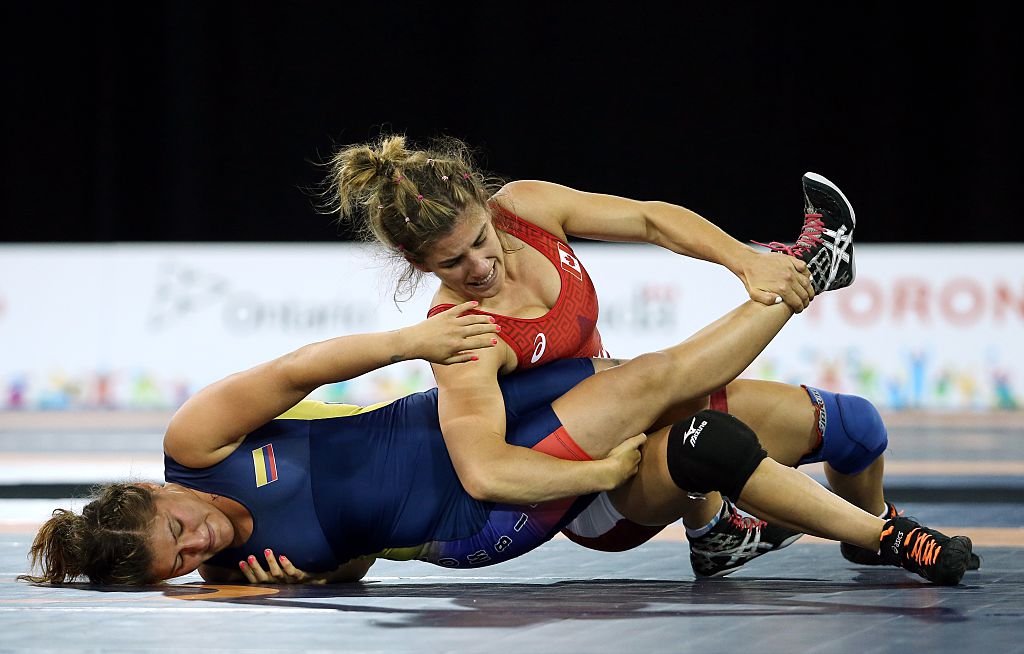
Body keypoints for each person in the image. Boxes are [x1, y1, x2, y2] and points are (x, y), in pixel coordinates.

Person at [21, 289, 974, 588]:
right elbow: (355, 554)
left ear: (154, 493)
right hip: (486, 509)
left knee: (856, 425)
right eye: (176, 568)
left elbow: (301, 370)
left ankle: (858, 529)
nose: (200, 547)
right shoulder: (235, 583)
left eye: (178, 533)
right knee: (681, 420)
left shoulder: (196, 444)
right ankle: (799, 275)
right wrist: (295, 585)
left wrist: (411, 342)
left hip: (498, 418)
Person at [323, 134, 924, 577]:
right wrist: (595, 474)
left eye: (481, 241)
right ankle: (813, 273)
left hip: (639, 403)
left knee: (856, 427)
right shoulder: (461, 335)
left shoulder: (525, 207)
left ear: (486, 206)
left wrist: (744, 260)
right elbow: (487, 473)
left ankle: (846, 528)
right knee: (672, 391)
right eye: (452, 263)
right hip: (594, 498)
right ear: (418, 263)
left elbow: (648, 219)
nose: (480, 267)